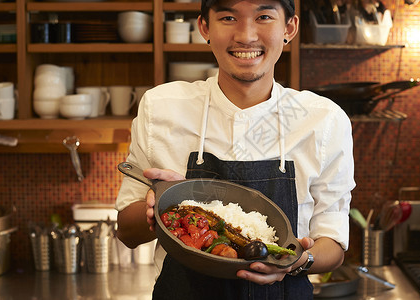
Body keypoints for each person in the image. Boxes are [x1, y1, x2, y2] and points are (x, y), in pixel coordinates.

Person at [114, 0, 355, 298]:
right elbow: (126, 232)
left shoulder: (324, 120)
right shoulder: (161, 108)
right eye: (228, 17)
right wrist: (156, 209)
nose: (246, 35)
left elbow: (332, 243)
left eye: (264, 16)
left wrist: (297, 261)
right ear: (205, 28)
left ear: (289, 28)